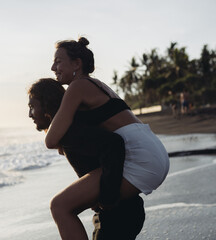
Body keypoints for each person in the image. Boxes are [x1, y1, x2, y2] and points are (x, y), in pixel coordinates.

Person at [45, 37, 170, 240]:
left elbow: (51, 140)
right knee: (91, 205)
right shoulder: (97, 85)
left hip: (139, 158)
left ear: (77, 63)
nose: (53, 67)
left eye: (58, 61)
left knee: (60, 206)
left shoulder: (77, 88)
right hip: (152, 152)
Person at [28, 78, 145, 239]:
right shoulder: (70, 130)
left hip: (120, 214)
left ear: (46, 104)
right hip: (115, 214)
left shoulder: (72, 131)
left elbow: (113, 144)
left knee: (58, 206)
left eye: (32, 107)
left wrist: (107, 199)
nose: (29, 114)